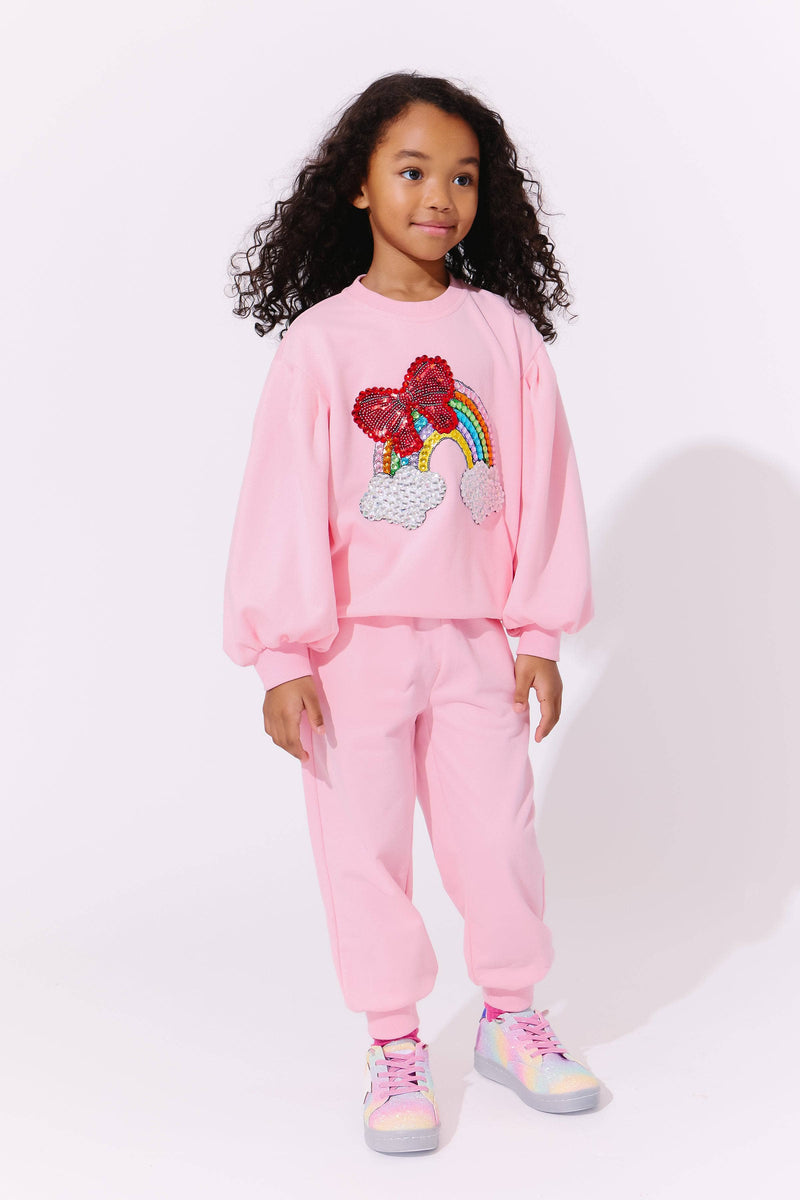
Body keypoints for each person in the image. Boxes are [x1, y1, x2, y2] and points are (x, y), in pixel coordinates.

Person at [222, 70, 605, 1154]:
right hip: (351, 653)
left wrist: (536, 632)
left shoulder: (502, 335)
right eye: (412, 171)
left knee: (499, 840)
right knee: (363, 850)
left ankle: (510, 1017)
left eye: (463, 177)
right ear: (358, 187)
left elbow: (545, 485)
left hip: (477, 643)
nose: (439, 196)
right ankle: (393, 1041)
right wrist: (282, 656)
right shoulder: (322, 344)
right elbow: (282, 502)